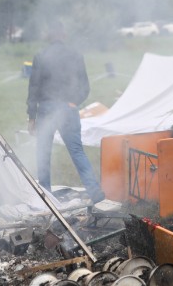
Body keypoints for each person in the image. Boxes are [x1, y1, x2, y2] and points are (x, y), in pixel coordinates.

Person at [26, 20, 119, 211]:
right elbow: (85, 86)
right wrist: (74, 102)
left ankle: (46, 195)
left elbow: (33, 88)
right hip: (68, 109)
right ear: (64, 35)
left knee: (43, 153)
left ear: (50, 36)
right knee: (77, 151)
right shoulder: (75, 55)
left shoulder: (41, 56)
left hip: (45, 109)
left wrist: (32, 117)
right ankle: (95, 193)